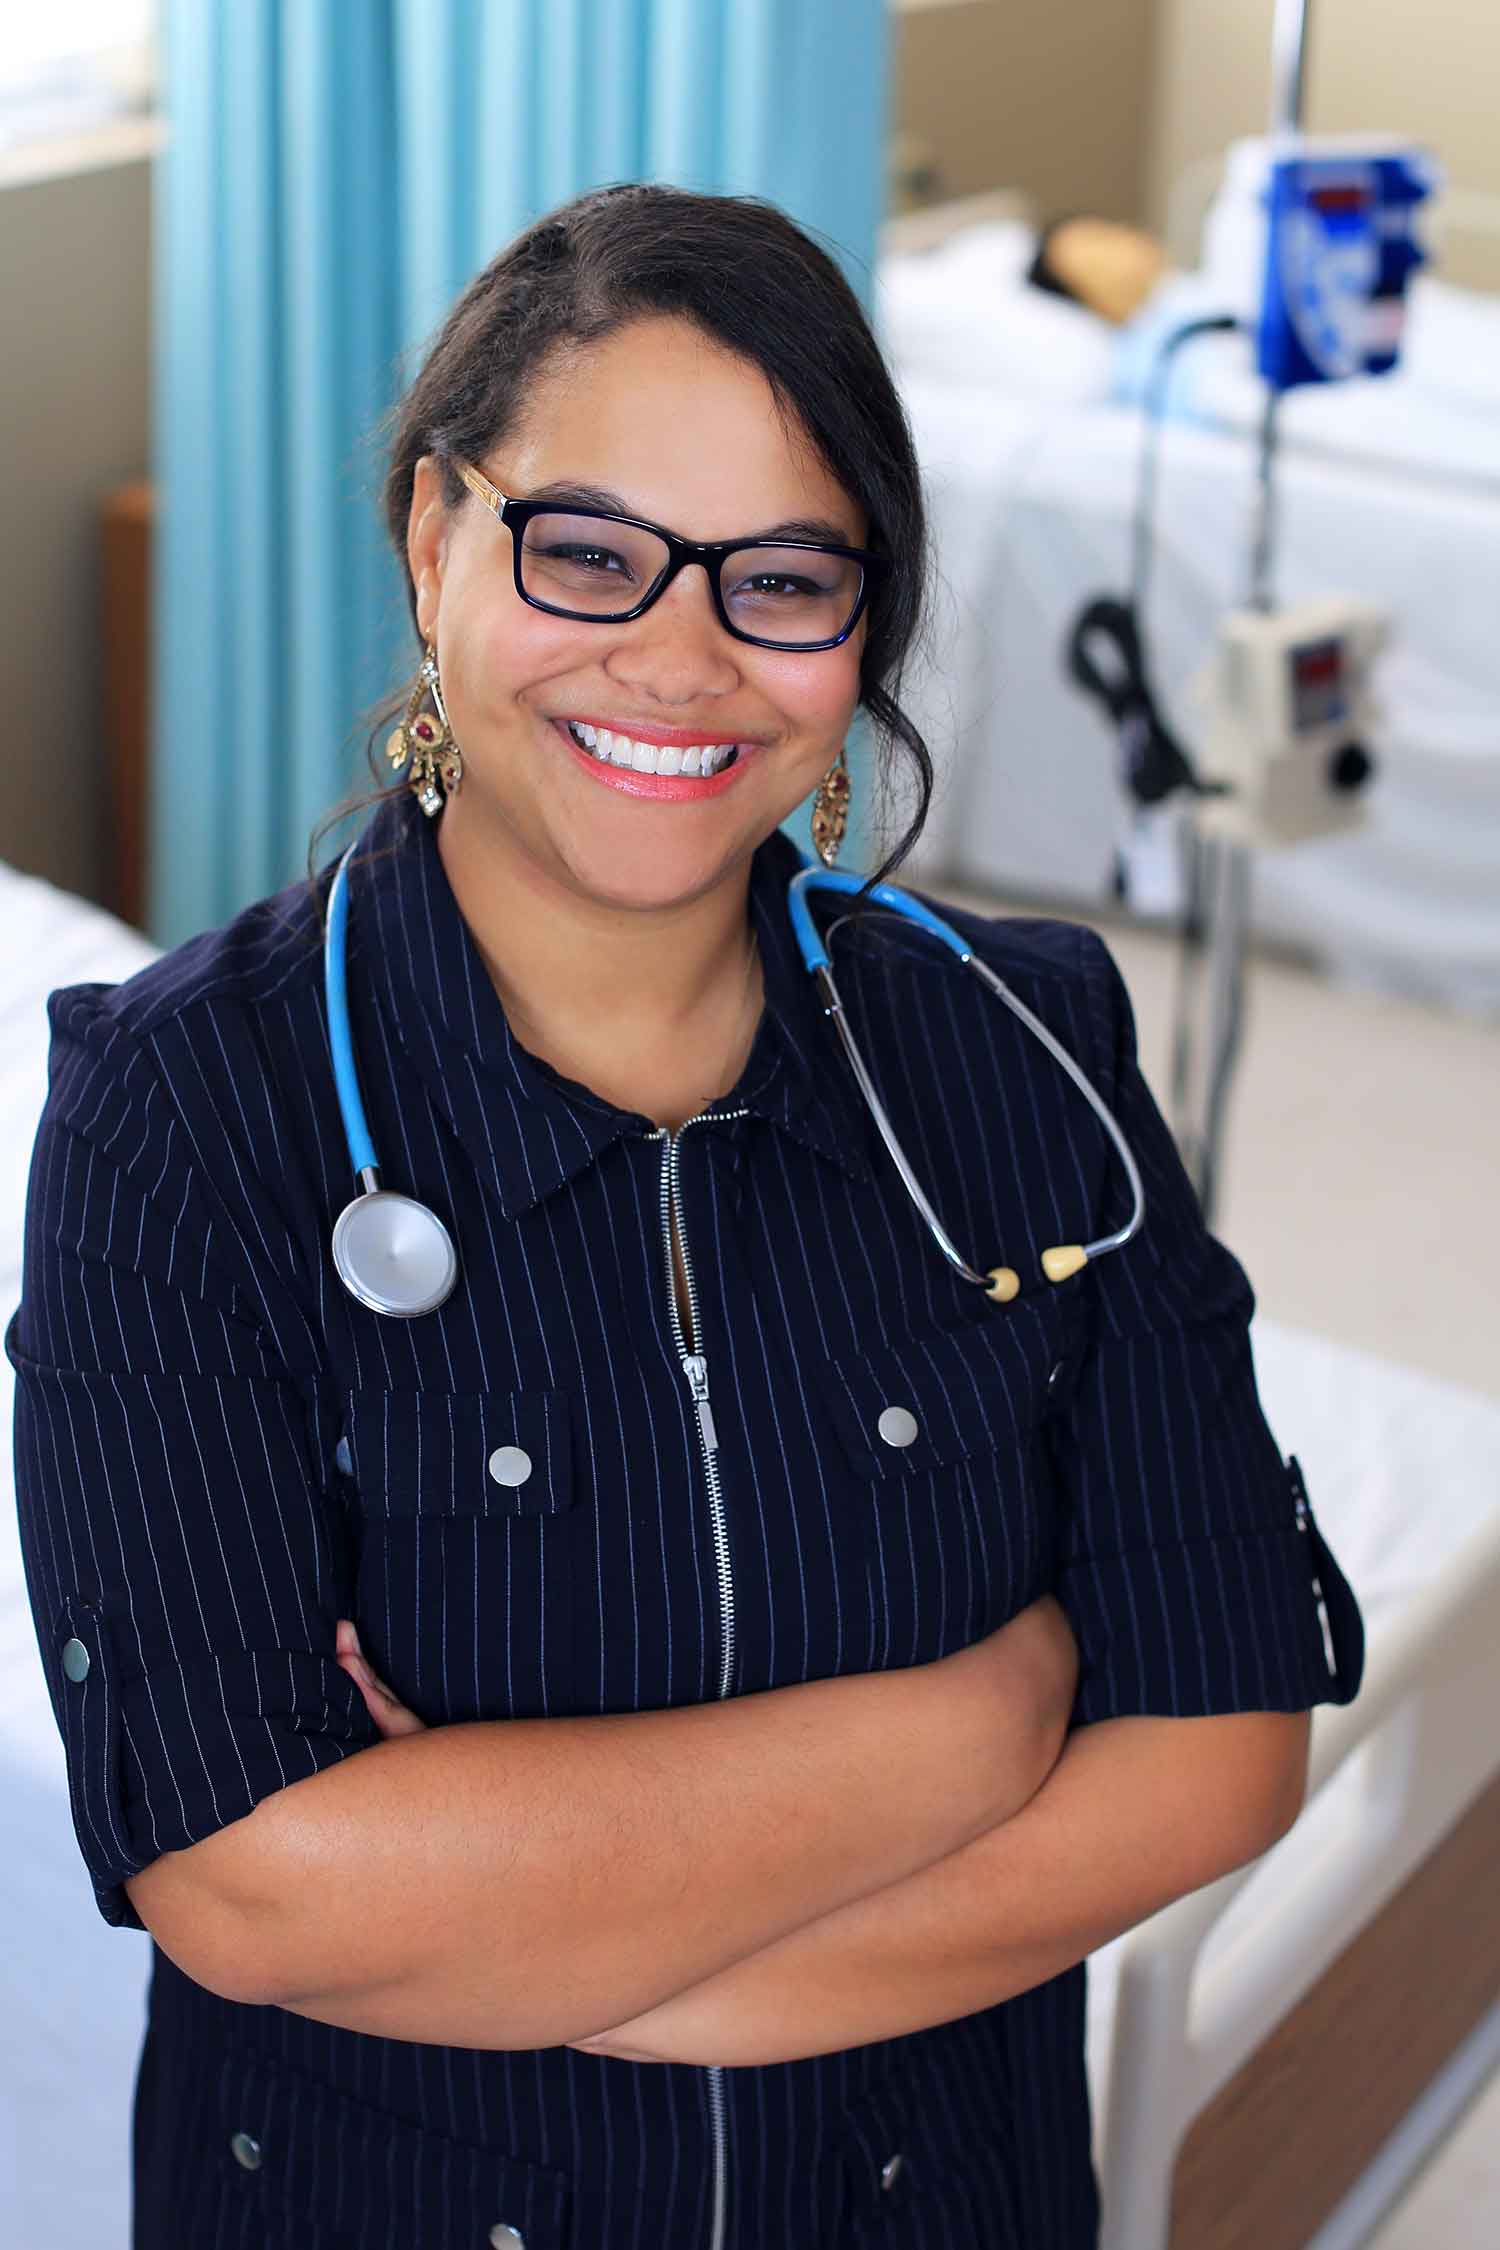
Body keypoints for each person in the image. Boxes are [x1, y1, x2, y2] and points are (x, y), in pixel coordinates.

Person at [8, 182, 1363, 2250]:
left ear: (866, 627)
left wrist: (594, 1965)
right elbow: (252, 1882)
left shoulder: (1030, 1043)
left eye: (784, 578)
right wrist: (985, 1717)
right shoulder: (187, 1118)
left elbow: (1215, 1755)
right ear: (435, 538)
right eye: (587, 551)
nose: (681, 652)